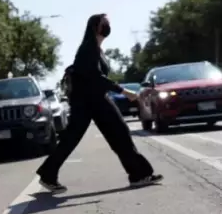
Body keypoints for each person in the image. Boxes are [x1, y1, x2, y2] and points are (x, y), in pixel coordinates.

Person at [36, 14, 163, 193]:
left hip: (96, 99)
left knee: (119, 133)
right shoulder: (88, 48)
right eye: (105, 23)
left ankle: (139, 174)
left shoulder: (96, 49)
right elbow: (96, 77)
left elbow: (97, 78)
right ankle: (48, 174)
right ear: (96, 27)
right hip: (86, 101)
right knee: (72, 138)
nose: (108, 26)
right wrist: (124, 91)